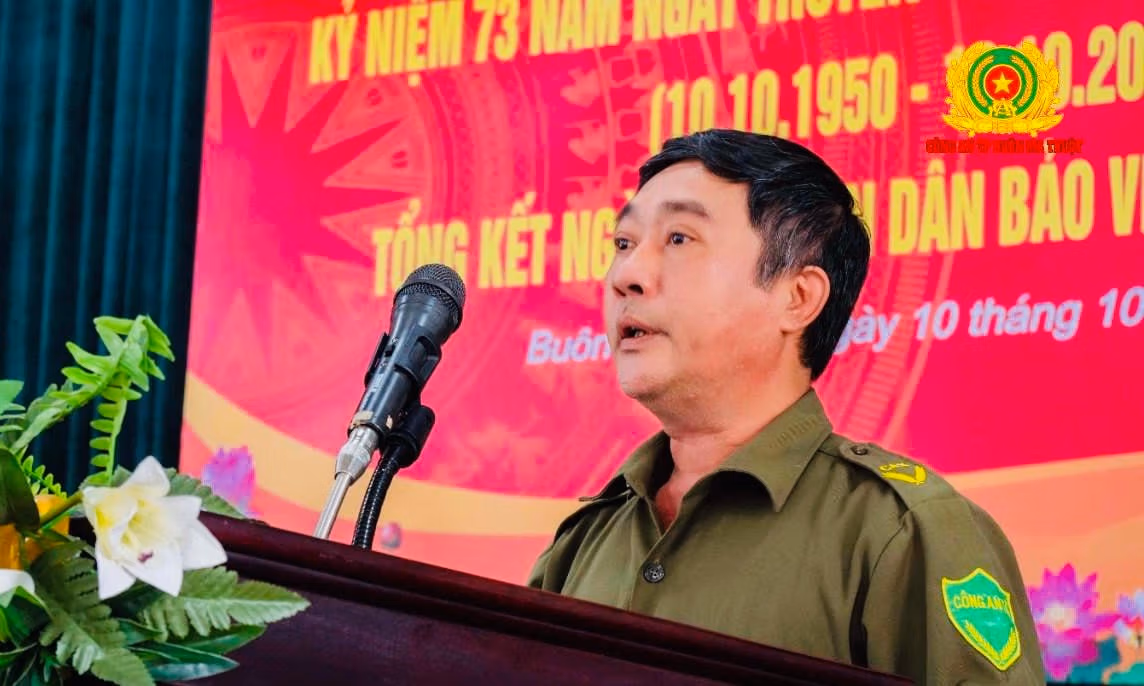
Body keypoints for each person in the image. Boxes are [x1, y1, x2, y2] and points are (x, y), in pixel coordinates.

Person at [527, 130, 1045, 685]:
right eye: (624, 243)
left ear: (798, 298)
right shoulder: (584, 542)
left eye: (678, 238)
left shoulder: (900, 530)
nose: (625, 276)